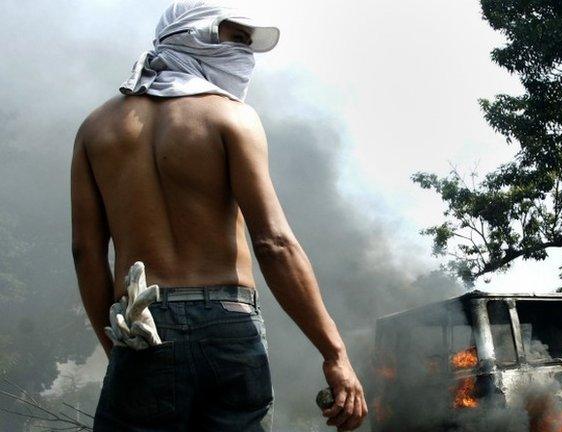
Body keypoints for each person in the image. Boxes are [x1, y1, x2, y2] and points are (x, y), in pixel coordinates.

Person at [69, 1, 367, 430]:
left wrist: (118, 346)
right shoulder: (232, 117)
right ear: (197, 35)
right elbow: (274, 243)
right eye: (237, 39)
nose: (245, 55)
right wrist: (335, 354)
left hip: (140, 322)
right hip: (228, 322)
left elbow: (86, 253)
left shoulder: (95, 129)